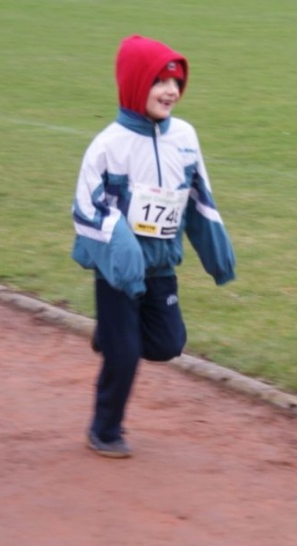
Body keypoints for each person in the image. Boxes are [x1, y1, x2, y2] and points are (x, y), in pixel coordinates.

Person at [70, 34, 236, 458]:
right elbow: (87, 209)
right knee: (124, 355)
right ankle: (105, 431)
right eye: (159, 81)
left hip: (161, 265)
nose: (171, 91)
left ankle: (109, 334)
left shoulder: (185, 136)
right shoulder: (108, 146)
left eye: (177, 82)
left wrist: (217, 254)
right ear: (133, 83)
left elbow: (199, 197)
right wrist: (123, 252)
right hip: (118, 270)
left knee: (167, 344)